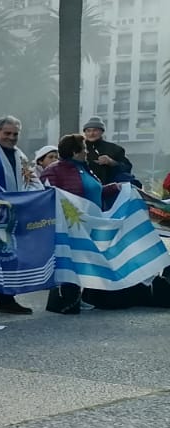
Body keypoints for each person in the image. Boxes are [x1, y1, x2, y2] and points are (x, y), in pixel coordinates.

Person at [43, 133, 122, 316]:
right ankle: (67, 298)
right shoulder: (54, 170)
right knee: (73, 259)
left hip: (90, 222)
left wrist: (115, 188)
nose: (87, 152)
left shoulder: (85, 168)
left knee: (85, 258)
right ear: (74, 151)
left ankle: (82, 295)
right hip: (71, 223)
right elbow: (48, 196)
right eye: (84, 149)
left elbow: (95, 191)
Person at [0, 116, 37, 315]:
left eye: (15, 134)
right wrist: (7, 201)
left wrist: (36, 197)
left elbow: (31, 179)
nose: (11, 138)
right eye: (7, 133)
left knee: (11, 255)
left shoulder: (20, 154)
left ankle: (6, 299)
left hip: (15, 212)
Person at [80, 118, 135, 185]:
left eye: (95, 130)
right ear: (85, 133)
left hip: (109, 188)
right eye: (88, 131)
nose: (91, 133)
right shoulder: (78, 149)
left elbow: (127, 168)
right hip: (84, 187)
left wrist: (111, 162)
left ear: (102, 132)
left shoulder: (115, 149)